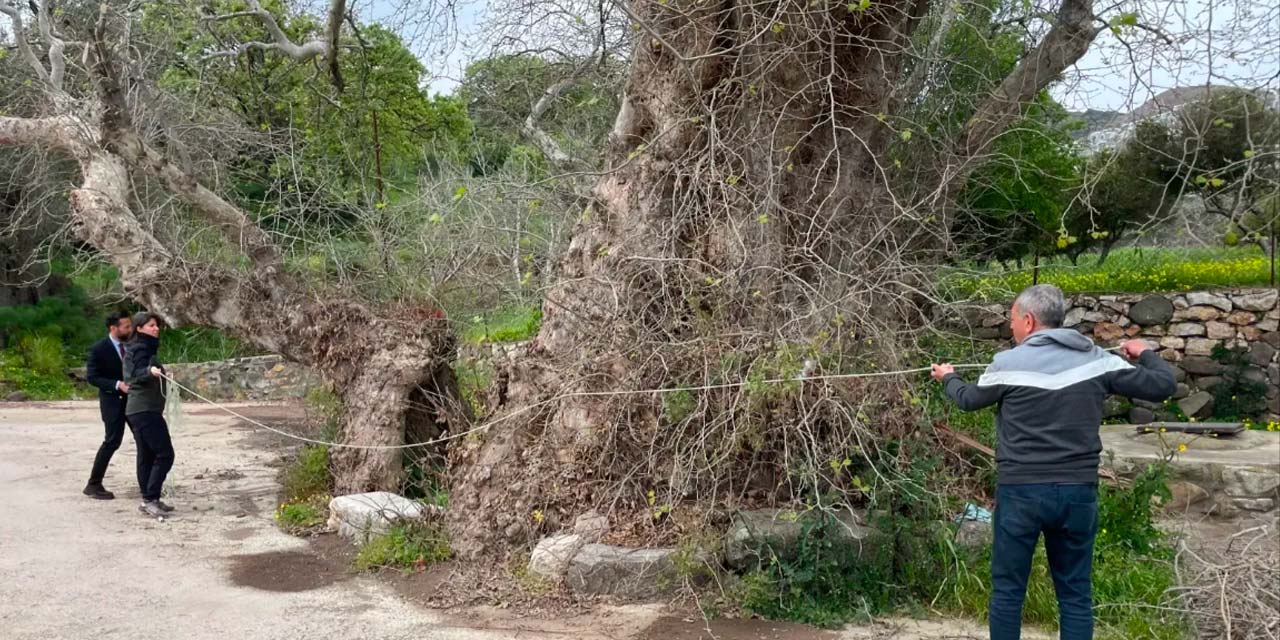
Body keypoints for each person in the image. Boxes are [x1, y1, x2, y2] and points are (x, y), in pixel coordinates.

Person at [931, 284, 1176, 640]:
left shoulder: (1008, 363)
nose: (1010, 327)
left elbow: (968, 399)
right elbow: (1163, 385)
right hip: (1078, 494)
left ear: (1028, 321)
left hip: (1021, 495)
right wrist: (1145, 353)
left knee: (1008, 590)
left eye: (1012, 320)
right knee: (1075, 594)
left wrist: (948, 377)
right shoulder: (1099, 361)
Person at [124, 312, 177, 518]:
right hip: (144, 410)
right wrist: (149, 372)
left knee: (146, 455)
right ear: (139, 328)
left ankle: (148, 499)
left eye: (157, 325)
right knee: (165, 454)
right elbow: (134, 374)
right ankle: (151, 498)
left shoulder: (146, 348)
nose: (156, 328)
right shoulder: (140, 348)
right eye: (151, 325)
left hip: (141, 410)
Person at [83, 313, 134, 500]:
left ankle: (149, 484)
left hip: (134, 402)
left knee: (144, 438)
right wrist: (116, 384)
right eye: (126, 327)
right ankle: (94, 484)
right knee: (112, 441)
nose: (130, 330)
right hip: (112, 402)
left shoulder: (132, 346)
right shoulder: (99, 349)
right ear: (114, 328)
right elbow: (93, 377)